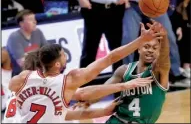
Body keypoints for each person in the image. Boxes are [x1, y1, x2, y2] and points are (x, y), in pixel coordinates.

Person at [8, 22, 163, 123]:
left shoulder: (22, 79)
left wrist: (102, 111)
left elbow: (63, 113)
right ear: (56, 64)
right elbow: (110, 58)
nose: (66, 56)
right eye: (63, 54)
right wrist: (123, 85)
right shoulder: (68, 82)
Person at [3, 49, 152, 123]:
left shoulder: (20, 90)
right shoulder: (48, 87)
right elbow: (85, 93)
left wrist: (103, 111)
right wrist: (123, 86)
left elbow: (68, 114)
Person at [84, 20, 170, 123]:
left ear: (158, 51)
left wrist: (164, 39)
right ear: (138, 49)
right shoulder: (124, 70)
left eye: (154, 48)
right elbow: (103, 91)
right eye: (146, 47)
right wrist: (86, 102)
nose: (150, 50)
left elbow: (164, 60)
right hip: (117, 120)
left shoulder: (158, 72)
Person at [122, 0, 189, 85]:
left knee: (168, 36)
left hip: (157, 5)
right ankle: (128, 74)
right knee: (128, 38)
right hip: (134, 4)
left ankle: (175, 72)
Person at [70, 0, 132, 72]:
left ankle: (119, 83)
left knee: (118, 51)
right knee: (89, 52)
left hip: (115, 9)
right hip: (93, 9)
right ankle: (83, 83)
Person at [6, 9, 48, 76]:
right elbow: (22, 63)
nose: (35, 21)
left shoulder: (38, 32)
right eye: (31, 19)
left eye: (34, 19)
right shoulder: (14, 37)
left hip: (38, 72)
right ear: (21, 24)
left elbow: (48, 52)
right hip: (20, 76)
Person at [170, 0, 190, 81]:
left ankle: (186, 67)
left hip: (186, 28)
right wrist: (179, 27)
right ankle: (183, 67)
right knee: (181, 34)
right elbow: (174, 18)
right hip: (179, 28)